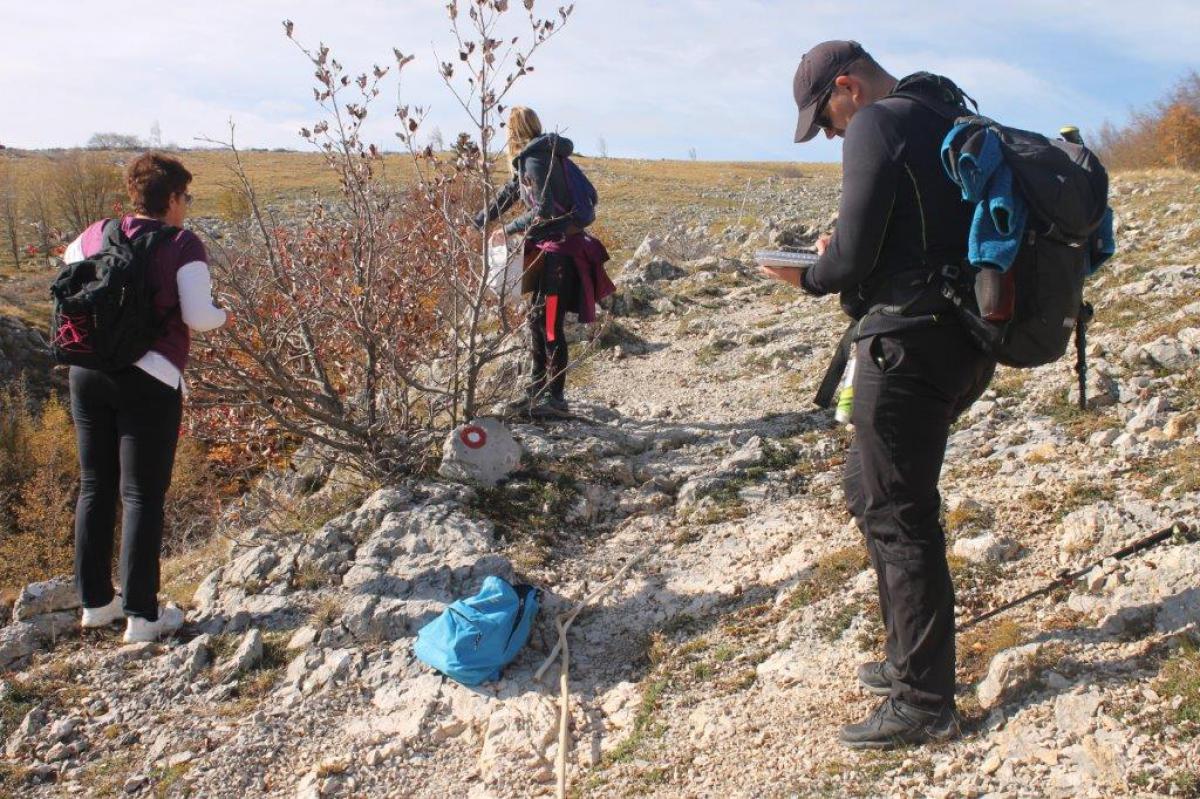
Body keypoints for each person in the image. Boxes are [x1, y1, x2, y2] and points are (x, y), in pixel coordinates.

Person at [761, 41, 996, 748]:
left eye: (825, 119)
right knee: (870, 488)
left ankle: (925, 701)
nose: (832, 134)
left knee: (900, 513)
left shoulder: (875, 124)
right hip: (963, 344)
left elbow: (851, 259)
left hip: (905, 350)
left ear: (847, 87)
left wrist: (801, 272)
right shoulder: (944, 111)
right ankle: (907, 658)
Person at [64, 153, 229, 643]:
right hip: (151, 376)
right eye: (186, 198)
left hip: (87, 371)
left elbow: (71, 284)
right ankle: (142, 616)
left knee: (94, 485)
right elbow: (199, 317)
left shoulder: (93, 234)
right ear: (173, 198)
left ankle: (96, 604)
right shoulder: (182, 243)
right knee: (141, 494)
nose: (187, 207)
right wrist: (225, 315)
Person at [475, 106, 610, 418]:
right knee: (538, 321)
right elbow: (511, 191)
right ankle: (537, 390)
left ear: (513, 132)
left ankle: (555, 398)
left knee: (548, 323)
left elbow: (543, 209)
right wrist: (481, 220)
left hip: (559, 256)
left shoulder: (536, 159)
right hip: (557, 251)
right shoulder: (542, 156)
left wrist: (505, 229)